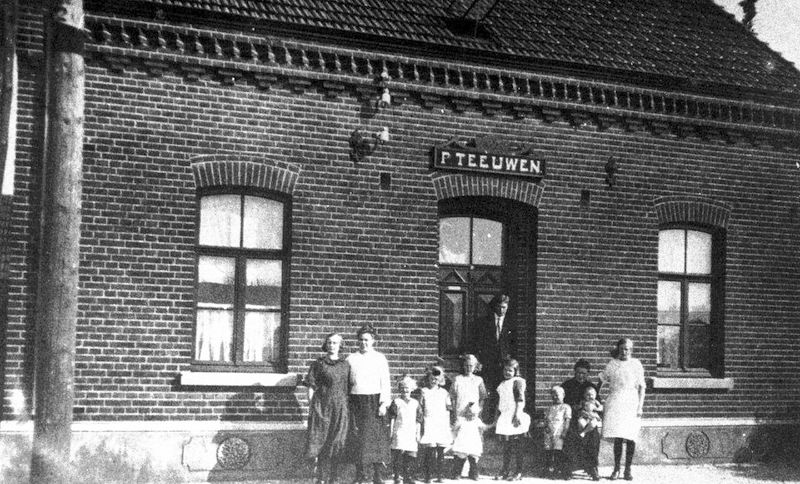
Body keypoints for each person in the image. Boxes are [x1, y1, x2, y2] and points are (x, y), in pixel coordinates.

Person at [347, 324, 392, 484]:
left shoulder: (379, 358)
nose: (363, 343)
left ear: (373, 341)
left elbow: (385, 382)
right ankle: (360, 475)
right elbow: (347, 383)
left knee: (376, 438)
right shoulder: (351, 358)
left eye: (367, 340)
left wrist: (383, 403)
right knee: (358, 438)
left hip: (374, 401)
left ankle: (377, 475)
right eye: (361, 340)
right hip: (356, 401)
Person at [305, 332, 350, 484]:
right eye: (329, 342)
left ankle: (334, 478)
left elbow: (349, 387)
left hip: (340, 408)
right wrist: (312, 406)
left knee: (337, 441)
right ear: (326, 345)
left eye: (335, 343)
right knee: (321, 440)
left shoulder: (345, 365)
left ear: (340, 345)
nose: (332, 345)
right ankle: (321, 478)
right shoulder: (319, 364)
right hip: (322, 407)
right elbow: (311, 386)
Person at [600, 338, 646, 481]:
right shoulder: (612, 364)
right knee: (618, 437)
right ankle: (616, 469)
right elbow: (601, 380)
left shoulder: (636, 364)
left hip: (631, 402)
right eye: (622, 349)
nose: (624, 352)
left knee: (630, 436)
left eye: (627, 349)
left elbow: (642, 387)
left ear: (631, 350)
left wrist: (640, 407)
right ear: (618, 349)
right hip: (616, 401)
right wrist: (597, 397)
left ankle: (628, 469)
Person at [469, 294, 514, 419]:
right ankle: (485, 421)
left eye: (504, 307)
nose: (501, 310)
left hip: (504, 368)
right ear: (495, 307)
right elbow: (475, 343)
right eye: (499, 307)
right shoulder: (483, 323)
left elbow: (514, 345)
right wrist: (478, 360)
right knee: (486, 394)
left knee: (503, 395)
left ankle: (499, 422)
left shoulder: (511, 324)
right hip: (487, 366)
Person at [450, 354, 488, 480]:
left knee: (473, 443)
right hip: (460, 415)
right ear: (463, 366)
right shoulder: (457, 379)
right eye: (466, 365)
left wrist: (477, 411)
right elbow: (453, 398)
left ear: (476, 366)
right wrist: (455, 413)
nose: (468, 368)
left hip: (473, 416)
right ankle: (457, 470)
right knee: (460, 442)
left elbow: (482, 398)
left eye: (471, 366)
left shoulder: (478, 380)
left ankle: (473, 470)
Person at [492, 358, 530, 481]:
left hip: (514, 416)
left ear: (515, 371)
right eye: (505, 370)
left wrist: (517, 414)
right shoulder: (502, 384)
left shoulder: (517, 382)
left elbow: (520, 400)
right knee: (506, 446)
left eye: (510, 370)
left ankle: (519, 471)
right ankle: (505, 470)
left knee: (518, 446)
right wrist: (496, 417)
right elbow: (500, 402)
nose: (507, 373)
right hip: (505, 416)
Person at [418, 365, 452, 483]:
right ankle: (428, 476)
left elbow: (448, 408)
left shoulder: (444, 392)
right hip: (429, 422)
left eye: (436, 379)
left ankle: (440, 476)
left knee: (440, 450)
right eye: (431, 378)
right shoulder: (424, 391)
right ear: (428, 378)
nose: (433, 381)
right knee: (429, 451)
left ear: (440, 380)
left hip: (441, 423)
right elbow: (420, 407)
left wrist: (447, 423)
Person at [388, 375, 422, 484]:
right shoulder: (396, 402)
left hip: (411, 431)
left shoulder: (415, 403)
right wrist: (391, 432)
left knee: (410, 455)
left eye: (407, 388)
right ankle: (397, 476)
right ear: (399, 389)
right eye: (402, 388)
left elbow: (418, 420)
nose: (405, 390)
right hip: (399, 430)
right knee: (398, 454)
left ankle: (408, 476)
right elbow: (392, 418)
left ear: (411, 389)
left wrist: (417, 433)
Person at [543, 385, 571, 480]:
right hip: (549, 432)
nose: (555, 397)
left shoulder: (565, 407)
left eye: (557, 395)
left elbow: (567, 421)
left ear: (563, 395)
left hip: (559, 432)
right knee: (549, 451)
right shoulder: (550, 408)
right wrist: (546, 428)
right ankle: (550, 470)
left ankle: (560, 470)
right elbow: (546, 420)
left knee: (558, 451)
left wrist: (564, 432)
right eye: (553, 395)